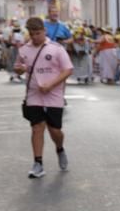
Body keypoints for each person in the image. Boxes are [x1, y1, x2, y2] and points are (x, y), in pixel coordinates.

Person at [11, 16, 74, 179]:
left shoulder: (56, 48)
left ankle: (60, 148)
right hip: (34, 94)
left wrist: (51, 84)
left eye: (38, 33)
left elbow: (68, 70)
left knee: (55, 130)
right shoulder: (24, 49)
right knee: (37, 127)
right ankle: (38, 163)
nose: (35, 37)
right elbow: (19, 67)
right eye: (32, 34)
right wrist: (19, 69)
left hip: (54, 94)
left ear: (44, 31)